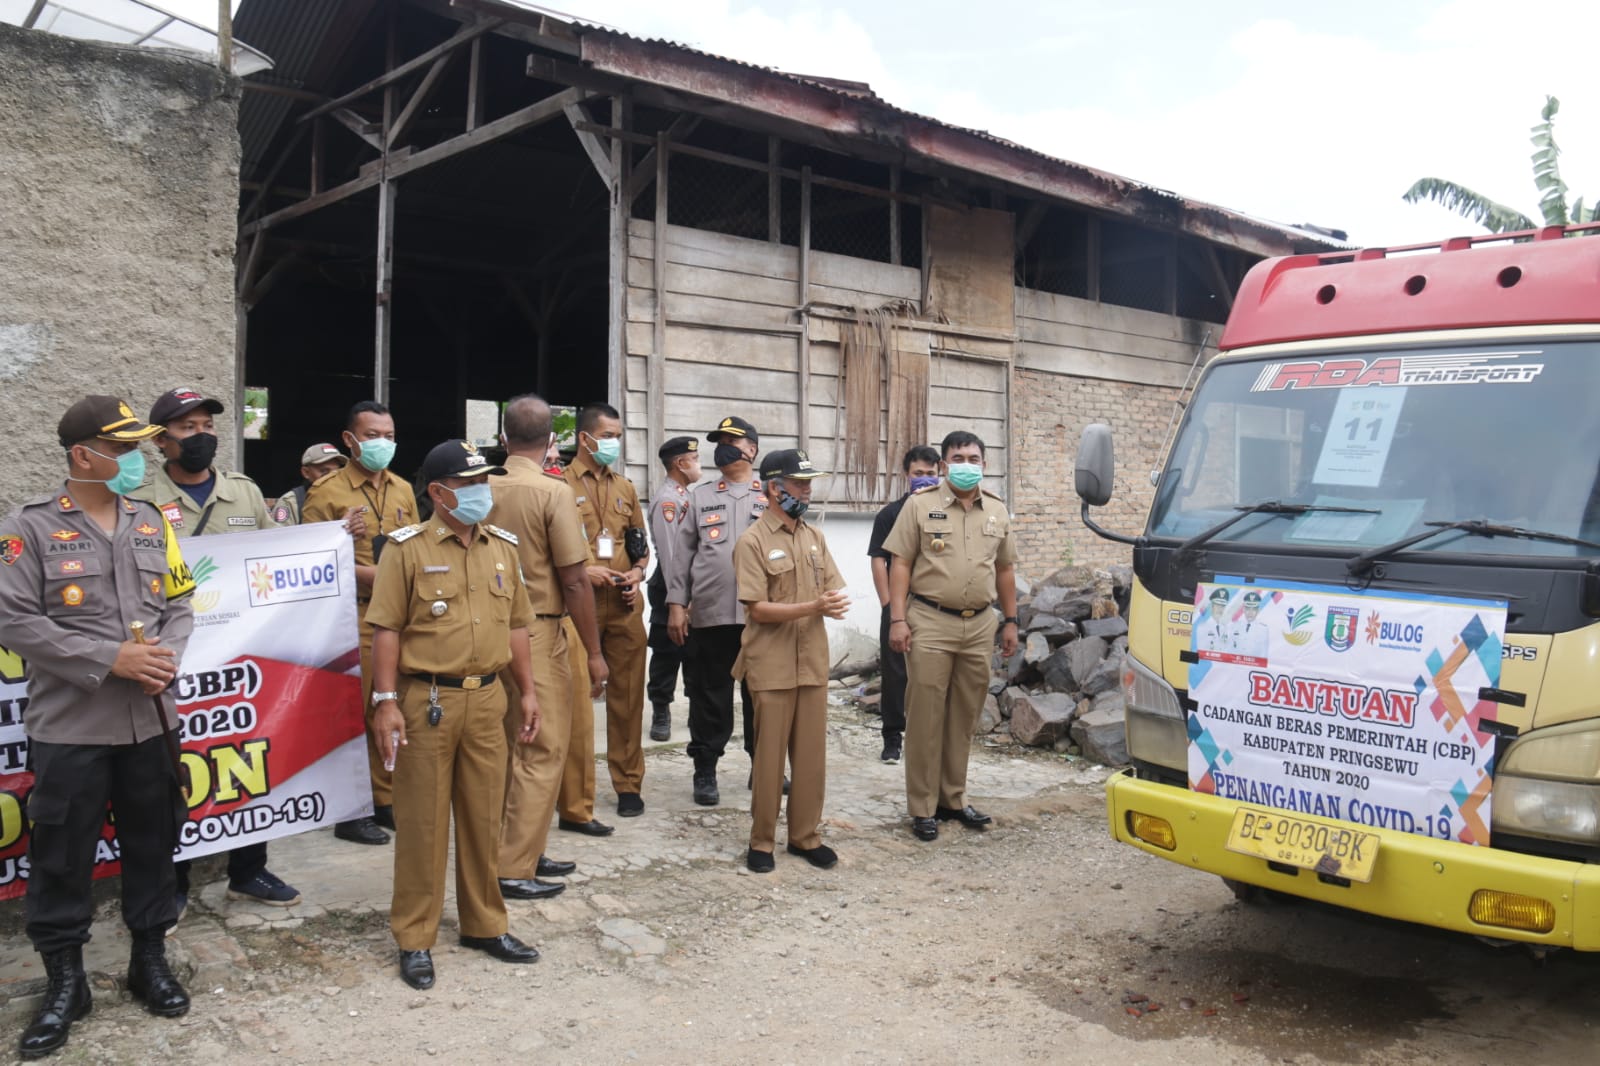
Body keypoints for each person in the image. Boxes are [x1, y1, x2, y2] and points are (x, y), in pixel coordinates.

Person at [0, 396, 195, 1058]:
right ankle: (66, 983)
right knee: (61, 857)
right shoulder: (26, 529)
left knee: (152, 842)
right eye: (125, 448)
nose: (139, 459)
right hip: (73, 727)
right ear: (85, 455)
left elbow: (180, 599)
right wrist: (112, 658)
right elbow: (16, 621)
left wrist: (164, 658)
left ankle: (148, 961)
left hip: (150, 721)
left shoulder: (150, 522)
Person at [368, 439, 542, 991]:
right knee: (422, 823)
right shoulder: (407, 549)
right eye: (468, 485)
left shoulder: (502, 548)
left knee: (484, 816)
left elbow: (516, 625)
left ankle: (484, 925)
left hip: (488, 699)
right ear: (440, 493)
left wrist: (529, 692)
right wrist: (385, 702)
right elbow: (387, 629)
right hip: (428, 702)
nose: (479, 493)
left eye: (483, 482)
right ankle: (415, 936)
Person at [129, 387, 299, 912]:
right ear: (161, 441)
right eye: (188, 429)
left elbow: (279, 555)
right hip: (172, 657)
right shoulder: (139, 498)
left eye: (206, 426)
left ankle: (249, 870)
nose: (201, 436)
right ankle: (172, 885)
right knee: (176, 771)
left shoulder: (244, 493)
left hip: (240, 656)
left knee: (246, 755)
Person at [488, 394, 608, 902]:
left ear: (502, 438)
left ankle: (526, 846)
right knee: (542, 746)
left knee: (509, 742)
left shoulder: (480, 486)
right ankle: (513, 865)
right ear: (552, 442)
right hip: (538, 629)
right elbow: (576, 581)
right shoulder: (551, 492)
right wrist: (594, 651)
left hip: (489, 628)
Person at [885, 431, 1019, 842]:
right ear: (944, 465)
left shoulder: (996, 511)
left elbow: (1005, 570)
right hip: (930, 620)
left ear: (985, 464)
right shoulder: (919, 506)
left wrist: (1011, 620)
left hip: (979, 625)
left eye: (974, 457)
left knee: (964, 715)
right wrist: (897, 619)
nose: (966, 464)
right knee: (926, 716)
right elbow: (900, 563)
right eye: (958, 457)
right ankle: (922, 806)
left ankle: (953, 799)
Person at [302, 401, 421, 846]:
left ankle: (384, 798)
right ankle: (352, 810)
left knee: (393, 705)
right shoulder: (328, 492)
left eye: (388, 435)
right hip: (355, 614)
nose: (382, 444)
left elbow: (415, 547)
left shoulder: (404, 490)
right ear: (350, 440)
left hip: (400, 617)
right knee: (357, 710)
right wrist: (345, 547)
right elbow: (311, 560)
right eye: (372, 436)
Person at [731, 450, 849, 873]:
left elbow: (832, 587)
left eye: (809, 483)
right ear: (773, 488)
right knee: (769, 759)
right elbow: (757, 609)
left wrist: (830, 602)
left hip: (811, 661)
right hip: (771, 664)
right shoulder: (753, 541)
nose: (807, 490)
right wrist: (814, 606)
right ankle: (761, 841)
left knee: (811, 756)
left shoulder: (814, 537)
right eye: (799, 483)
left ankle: (804, 837)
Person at [665, 416, 767, 806]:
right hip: (711, 616)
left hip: (761, 618)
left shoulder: (771, 495)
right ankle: (705, 769)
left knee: (763, 697)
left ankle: (766, 765)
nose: (722, 447)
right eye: (718, 441)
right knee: (710, 698)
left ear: (751, 449)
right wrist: (677, 604)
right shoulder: (700, 496)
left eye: (731, 441)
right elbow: (681, 557)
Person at [561, 403, 650, 821]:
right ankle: (575, 793)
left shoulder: (625, 488)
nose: (614, 442)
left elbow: (639, 545)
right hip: (579, 607)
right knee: (576, 701)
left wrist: (637, 573)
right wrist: (584, 570)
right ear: (585, 438)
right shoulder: (558, 485)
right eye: (608, 435)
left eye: (618, 435)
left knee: (629, 698)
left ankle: (628, 783)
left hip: (625, 605)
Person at [867, 446, 941, 764]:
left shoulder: (946, 512)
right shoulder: (890, 514)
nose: (924, 479)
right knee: (896, 674)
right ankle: (892, 738)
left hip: (936, 607)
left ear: (939, 473)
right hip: (900, 606)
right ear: (906, 475)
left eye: (930, 474)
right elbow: (879, 561)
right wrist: (888, 606)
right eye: (918, 474)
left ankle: (928, 738)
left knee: (932, 673)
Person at [645, 436, 702, 742]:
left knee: (694, 651)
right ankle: (661, 710)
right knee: (667, 651)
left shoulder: (686, 496)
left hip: (692, 585)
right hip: (670, 585)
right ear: (681, 463)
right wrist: (678, 601)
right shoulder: (669, 501)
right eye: (696, 458)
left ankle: (695, 711)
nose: (699, 464)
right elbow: (670, 556)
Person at [270, 442, 348, 526]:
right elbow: (281, 537)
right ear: (306, 472)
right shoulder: (291, 502)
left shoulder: (347, 497)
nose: (332, 477)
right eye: (324, 472)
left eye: (337, 472)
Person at [1195, 587, 1233, 657]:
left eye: (1222, 606)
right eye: (1217, 605)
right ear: (1212, 606)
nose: (1220, 609)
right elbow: (1202, 651)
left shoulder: (1226, 628)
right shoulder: (1202, 627)